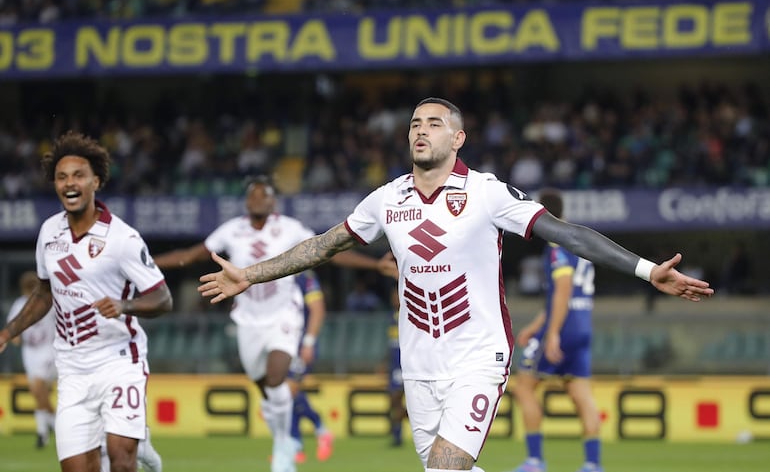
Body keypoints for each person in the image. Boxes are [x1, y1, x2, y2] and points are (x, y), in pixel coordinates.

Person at [197, 97, 713, 472]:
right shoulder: (386, 200)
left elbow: (566, 232)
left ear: (457, 138)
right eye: (415, 124)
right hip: (419, 366)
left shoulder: (487, 194)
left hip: (478, 358)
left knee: (444, 469)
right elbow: (325, 245)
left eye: (435, 124)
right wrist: (251, 273)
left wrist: (648, 270)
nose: (422, 130)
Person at [152, 175, 396, 472]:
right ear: (247, 201)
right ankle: (286, 440)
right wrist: (145, 262)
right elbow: (190, 256)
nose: (260, 200)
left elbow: (329, 252)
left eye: (265, 195)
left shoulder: (291, 228)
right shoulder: (231, 231)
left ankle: (283, 447)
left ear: (273, 201)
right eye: (254, 195)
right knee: (266, 390)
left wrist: (373, 264)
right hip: (248, 320)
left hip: (284, 316)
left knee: (276, 378)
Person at [0, 130, 173, 472]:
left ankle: (136, 445)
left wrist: (126, 306)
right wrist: (7, 332)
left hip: (119, 359)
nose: (69, 183)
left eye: (79, 175)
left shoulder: (122, 239)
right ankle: (140, 440)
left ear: (96, 181)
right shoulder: (49, 233)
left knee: (121, 461)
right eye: (61, 177)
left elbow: (163, 298)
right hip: (72, 368)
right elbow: (43, 293)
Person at [511, 188, 602, 472]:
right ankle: (592, 464)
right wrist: (537, 326)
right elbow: (562, 297)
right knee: (580, 393)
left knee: (524, 387)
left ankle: (535, 460)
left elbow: (562, 289)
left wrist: (551, 332)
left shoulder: (556, 245)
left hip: (562, 328)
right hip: (582, 325)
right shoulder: (580, 244)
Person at [6, 270, 57, 449]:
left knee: (37, 389)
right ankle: (45, 431)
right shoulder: (20, 304)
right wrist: (14, 336)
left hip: (48, 350)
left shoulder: (47, 302)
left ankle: (53, 427)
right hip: (30, 353)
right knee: (40, 393)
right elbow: (14, 326)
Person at [287, 270, 333, 463]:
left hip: (300, 344)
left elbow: (318, 308)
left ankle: (317, 430)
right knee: (287, 396)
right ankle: (297, 445)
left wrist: (309, 341)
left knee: (289, 390)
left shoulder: (305, 277)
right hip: (281, 343)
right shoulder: (273, 274)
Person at [386, 283, 406, 448]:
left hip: (407, 365)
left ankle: (398, 434)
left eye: (397, 295)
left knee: (397, 399)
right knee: (394, 400)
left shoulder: (409, 315)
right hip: (395, 366)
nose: (394, 299)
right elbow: (392, 345)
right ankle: (397, 434)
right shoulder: (392, 317)